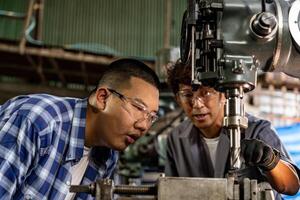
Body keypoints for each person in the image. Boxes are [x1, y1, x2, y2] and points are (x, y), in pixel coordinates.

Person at [0, 58, 160, 199]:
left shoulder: (108, 157)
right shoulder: (38, 121)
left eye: (151, 117)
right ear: (103, 98)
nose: (144, 126)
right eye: (138, 107)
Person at [164, 60, 300, 199]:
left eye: (205, 93)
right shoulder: (176, 139)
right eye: (187, 95)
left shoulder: (257, 130)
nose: (197, 104)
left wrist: (269, 160)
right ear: (178, 99)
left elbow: (291, 186)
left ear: (223, 94)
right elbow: (170, 191)